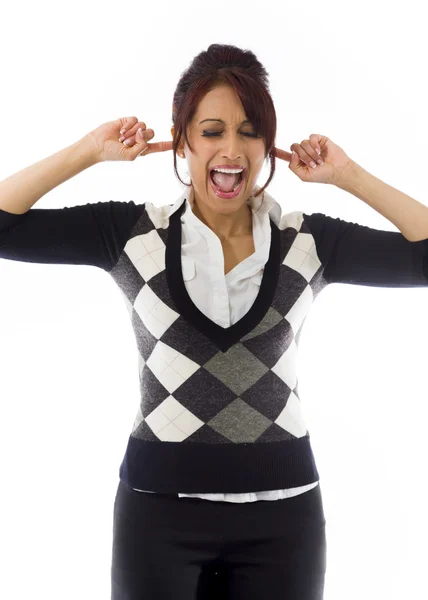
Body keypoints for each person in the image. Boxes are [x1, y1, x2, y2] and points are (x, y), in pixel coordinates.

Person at [3, 42, 427, 599]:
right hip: (157, 516)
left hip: (286, 520)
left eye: (250, 131)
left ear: (266, 144)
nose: (232, 149)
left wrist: (347, 175)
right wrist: (88, 151)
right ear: (181, 142)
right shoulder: (131, 236)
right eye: (211, 131)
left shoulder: (309, 243)